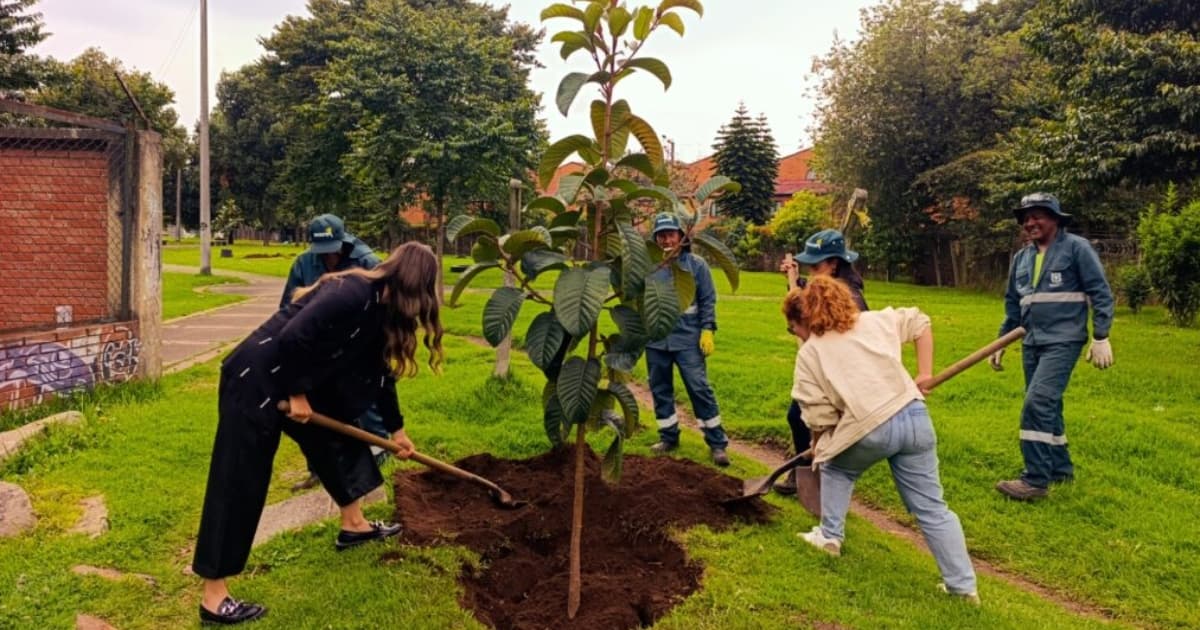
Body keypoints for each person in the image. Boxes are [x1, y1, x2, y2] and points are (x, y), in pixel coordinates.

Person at [192, 242, 445, 625]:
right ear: (412, 284)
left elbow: (381, 375)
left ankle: (354, 525)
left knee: (340, 439)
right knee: (240, 479)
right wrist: (295, 393)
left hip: (300, 383)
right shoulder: (352, 292)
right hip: (256, 380)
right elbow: (293, 338)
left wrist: (397, 429)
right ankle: (214, 596)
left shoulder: (380, 310)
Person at [785, 276, 978, 604]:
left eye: (793, 329)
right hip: (915, 419)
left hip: (871, 427)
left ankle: (830, 536)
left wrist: (819, 443)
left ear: (806, 318)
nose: (796, 336)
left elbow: (817, 414)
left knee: (835, 467)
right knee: (932, 507)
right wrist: (923, 372)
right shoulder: (874, 321)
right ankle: (963, 588)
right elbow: (920, 321)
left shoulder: (811, 353)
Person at [990, 192, 1114, 501]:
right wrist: (1001, 341)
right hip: (1032, 341)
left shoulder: (1076, 249)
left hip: (1064, 340)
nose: (1031, 222)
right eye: (1026, 218)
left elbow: (1100, 292)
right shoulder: (1022, 258)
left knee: (1037, 402)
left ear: (1055, 219)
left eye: (1038, 215)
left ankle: (1034, 480)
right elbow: (1013, 305)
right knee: (1049, 405)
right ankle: (1060, 468)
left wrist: (1101, 335)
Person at [282, 214, 389, 491]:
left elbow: (380, 311)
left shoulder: (367, 262)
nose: (327, 257)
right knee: (314, 413)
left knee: (362, 403)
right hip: (316, 347)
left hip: (355, 344)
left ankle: (379, 457)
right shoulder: (304, 263)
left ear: (343, 241)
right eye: (321, 251)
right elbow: (287, 309)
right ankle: (319, 471)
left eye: (332, 249)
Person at [774, 228, 869, 494]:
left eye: (816, 266)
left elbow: (844, 336)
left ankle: (823, 478)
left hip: (841, 374)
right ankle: (805, 473)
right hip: (820, 369)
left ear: (834, 264)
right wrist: (793, 281)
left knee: (819, 424)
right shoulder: (824, 287)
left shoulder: (851, 298)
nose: (812, 272)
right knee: (798, 417)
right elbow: (807, 301)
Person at [645, 213, 731, 467]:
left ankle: (717, 443)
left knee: (699, 388)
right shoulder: (650, 266)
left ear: (682, 237)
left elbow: (707, 300)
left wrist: (708, 329)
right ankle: (668, 436)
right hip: (656, 341)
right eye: (661, 235)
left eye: (671, 234)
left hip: (689, 340)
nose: (666, 239)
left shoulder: (696, 265)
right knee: (660, 390)